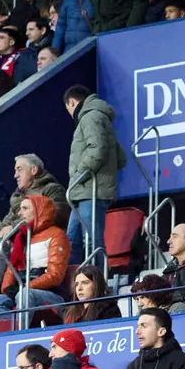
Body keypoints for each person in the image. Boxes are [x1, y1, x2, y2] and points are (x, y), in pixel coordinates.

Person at [64, 84, 125, 262]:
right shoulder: (99, 117)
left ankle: (96, 282)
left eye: (67, 107)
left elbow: (97, 149)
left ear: (72, 102)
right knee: (71, 242)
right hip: (84, 191)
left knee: (91, 240)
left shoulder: (90, 117)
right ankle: (77, 284)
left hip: (89, 190)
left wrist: (80, 173)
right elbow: (120, 158)